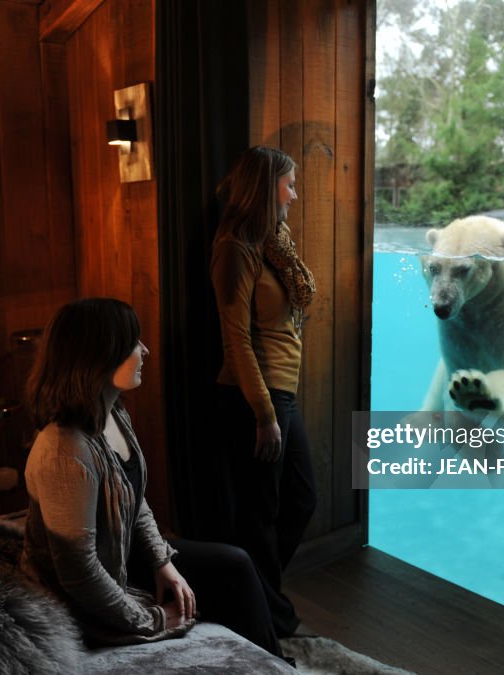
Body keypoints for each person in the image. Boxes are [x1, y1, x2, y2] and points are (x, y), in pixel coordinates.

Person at [19, 297, 281, 656]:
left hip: (119, 556)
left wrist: (163, 563)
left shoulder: (113, 413)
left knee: (235, 564)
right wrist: (152, 619)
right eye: (132, 343)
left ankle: (274, 661)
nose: (145, 350)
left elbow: (134, 499)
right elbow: (79, 574)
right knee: (228, 576)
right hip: (79, 596)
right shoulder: (65, 452)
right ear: (99, 354)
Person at [211, 146, 317, 638]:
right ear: (265, 186)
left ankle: (258, 599)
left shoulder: (274, 242)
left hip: (281, 394)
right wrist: (263, 413)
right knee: (261, 516)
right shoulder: (236, 247)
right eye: (289, 184)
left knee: (300, 499)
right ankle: (268, 623)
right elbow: (236, 338)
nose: (295, 195)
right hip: (256, 398)